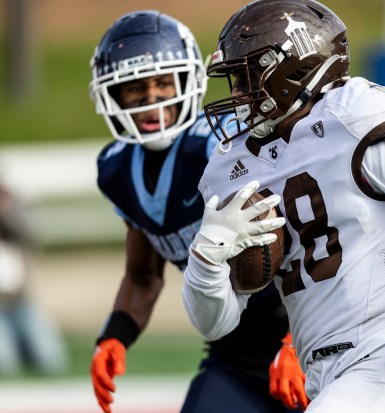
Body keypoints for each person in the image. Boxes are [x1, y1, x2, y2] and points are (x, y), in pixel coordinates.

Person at [182, 1, 385, 411]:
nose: (236, 93)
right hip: (324, 377)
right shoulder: (233, 167)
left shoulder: (350, 120)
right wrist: (206, 258)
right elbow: (215, 322)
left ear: (292, 71)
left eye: (246, 77)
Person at [88, 10, 307, 413]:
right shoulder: (116, 170)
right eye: (135, 88)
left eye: (161, 82)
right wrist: (115, 335)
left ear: (188, 80)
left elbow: (311, 240)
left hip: (312, 342)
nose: (151, 98)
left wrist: (298, 342)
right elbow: (143, 273)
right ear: (112, 95)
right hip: (233, 357)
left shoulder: (227, 145)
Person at [0, 179, 69, 377]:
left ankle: (23, 345)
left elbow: (31, 232)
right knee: (5, 364)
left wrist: (7, 211)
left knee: (50, 359)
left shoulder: (16, 211)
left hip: (21, 301)